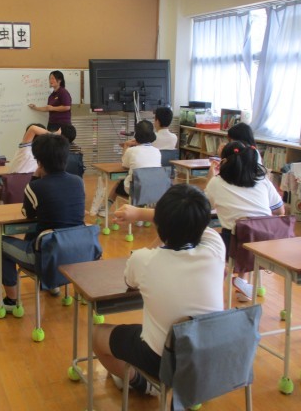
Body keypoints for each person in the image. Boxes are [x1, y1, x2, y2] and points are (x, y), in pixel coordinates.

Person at [93, 185, 225, 396]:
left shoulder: (143, 260)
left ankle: (141, 384)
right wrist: (142, 213)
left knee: (97, 335)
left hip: (165, 362)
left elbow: (130, 282)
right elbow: (192, 221)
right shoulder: (216, 246)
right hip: (214, 356)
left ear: (160, 225)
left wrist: (142, 215)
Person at [0, 133, 85, 313]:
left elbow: (27, 214)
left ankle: (10, 301)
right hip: (79, 253)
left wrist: (34, 177)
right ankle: (52, 285)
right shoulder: (78, 182)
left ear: (39, 162)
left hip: (48, 256)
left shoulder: (35, 186)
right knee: (39, 232)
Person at [205, 140, 284, 300]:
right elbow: (280, 210)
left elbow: (204, 207)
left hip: (235, 246)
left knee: (210, 238)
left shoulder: (217, 182)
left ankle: (224, 273)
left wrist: (210, 176)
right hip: (267, 245)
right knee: (247, 231)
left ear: (224, 162)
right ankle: (242, 284)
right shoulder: (263, 181)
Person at [102, 120, 161, 216]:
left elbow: (124, 165)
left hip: (135, 189)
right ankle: (142, 215)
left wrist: (126, 145)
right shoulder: (157, 151)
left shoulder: (132, 151)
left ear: (136, 135)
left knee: (119, 183)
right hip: (153, 189)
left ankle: (105, 209)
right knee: (141, 184)